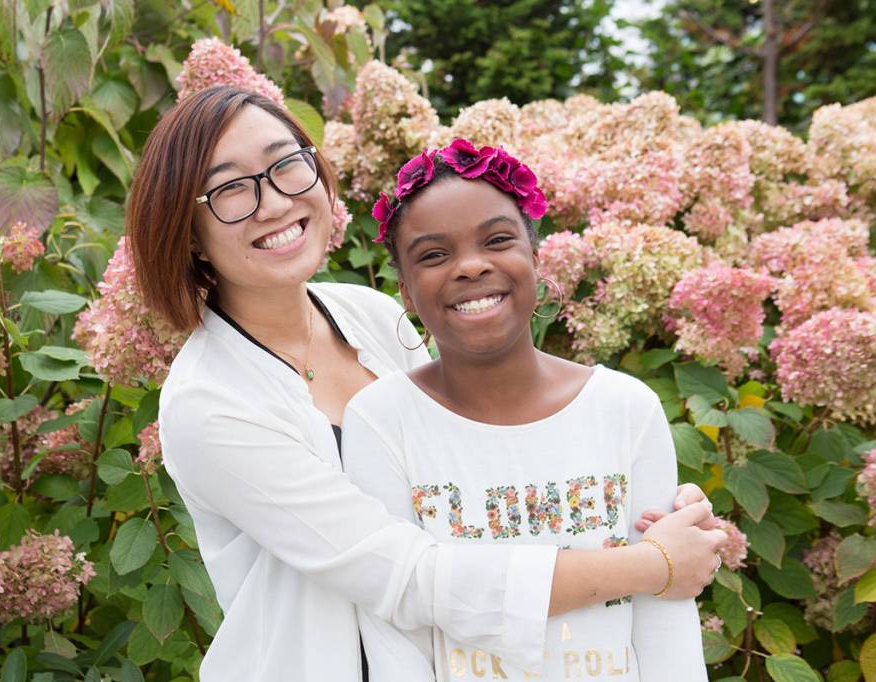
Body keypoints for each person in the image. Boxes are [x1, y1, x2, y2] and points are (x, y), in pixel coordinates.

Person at [126, 86, 728, 682]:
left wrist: (637, 506)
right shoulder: (209, 402)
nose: (275, 202)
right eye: (231, 188)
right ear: (187, 231)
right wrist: (652, 566)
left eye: (286, 163)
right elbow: (407, 576)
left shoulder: (369, 314)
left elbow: (477, 463)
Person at [341, 140, 711, 682]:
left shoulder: (626, 408)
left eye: (497, 240)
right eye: (434, 255)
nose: (471, 266)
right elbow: (395, 631)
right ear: (406, 293)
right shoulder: (381, 420)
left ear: (535, 260)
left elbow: (666, 607)